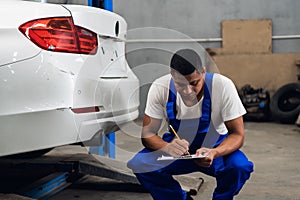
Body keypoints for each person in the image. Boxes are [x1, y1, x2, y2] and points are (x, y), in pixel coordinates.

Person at [127, 48, 254, 200]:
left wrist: (215, 152)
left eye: (194, 83)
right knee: (140, 164)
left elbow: (237, 134)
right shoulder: (161, 88)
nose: (188, 91)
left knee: (239, 167)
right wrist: (167, 147)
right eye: (180, 84)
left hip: (215, 148)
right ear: (172, 75)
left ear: (203, 72)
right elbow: (147, 135)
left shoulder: (222, 86)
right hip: (178, 150)